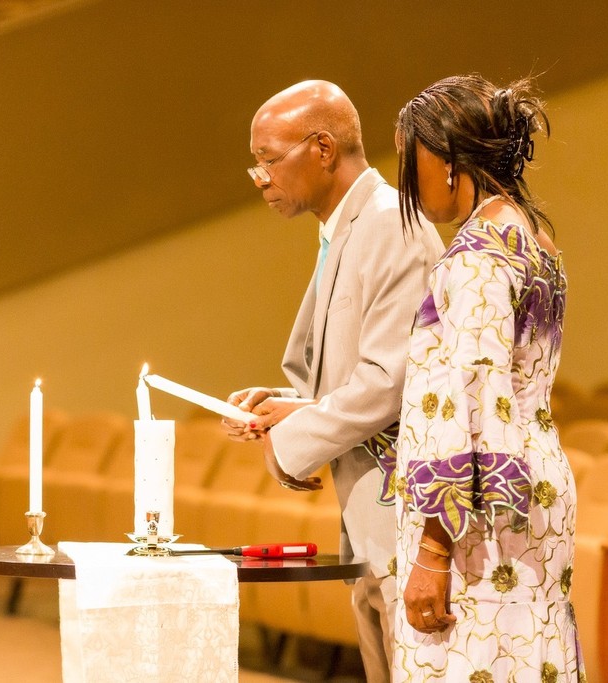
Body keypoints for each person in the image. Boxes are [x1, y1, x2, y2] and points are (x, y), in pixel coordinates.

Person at [220, 80, 443, 682]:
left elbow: (387, 384)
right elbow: (349, 379)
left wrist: (291, 444)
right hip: (366, 515)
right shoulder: (343, 229)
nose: (260, 177)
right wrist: (284, 408)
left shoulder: (393, 225)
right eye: (256, 162)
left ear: (323, 148)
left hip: (412, 521)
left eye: (269, 159)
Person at [391, 74, 583, 680]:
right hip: (536, 486)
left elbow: (472, 405)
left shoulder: (476, 257)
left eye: (408, 160)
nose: (406, 180)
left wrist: (432, 550)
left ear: (446, 162)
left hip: (481, 517)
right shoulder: (534, 240)